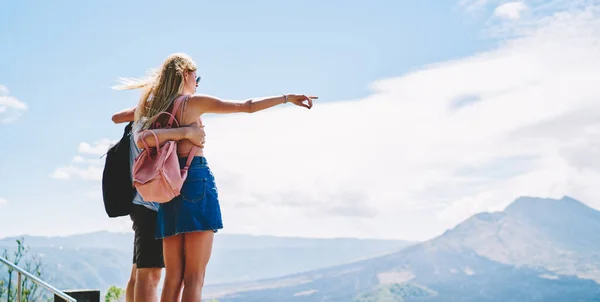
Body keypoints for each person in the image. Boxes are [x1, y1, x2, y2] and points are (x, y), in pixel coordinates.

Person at [113, 52, 317, 302]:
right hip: (195, 180)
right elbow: (248, 106)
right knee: (194, 278)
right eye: (196, 77)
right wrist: (286, 98)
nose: (197, 82)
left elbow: (133, 132)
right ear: (186, 74)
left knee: (173, 279)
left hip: (167, 189)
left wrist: (172, 129)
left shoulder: (153, 108)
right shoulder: (192, 103)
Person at [111, 105, 206, 302]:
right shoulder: (160, 117)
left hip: (139, 200)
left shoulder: (146, 111)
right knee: (150, 274)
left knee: (139, 273)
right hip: (152, 203)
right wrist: (186, 132)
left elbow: (117, 117)